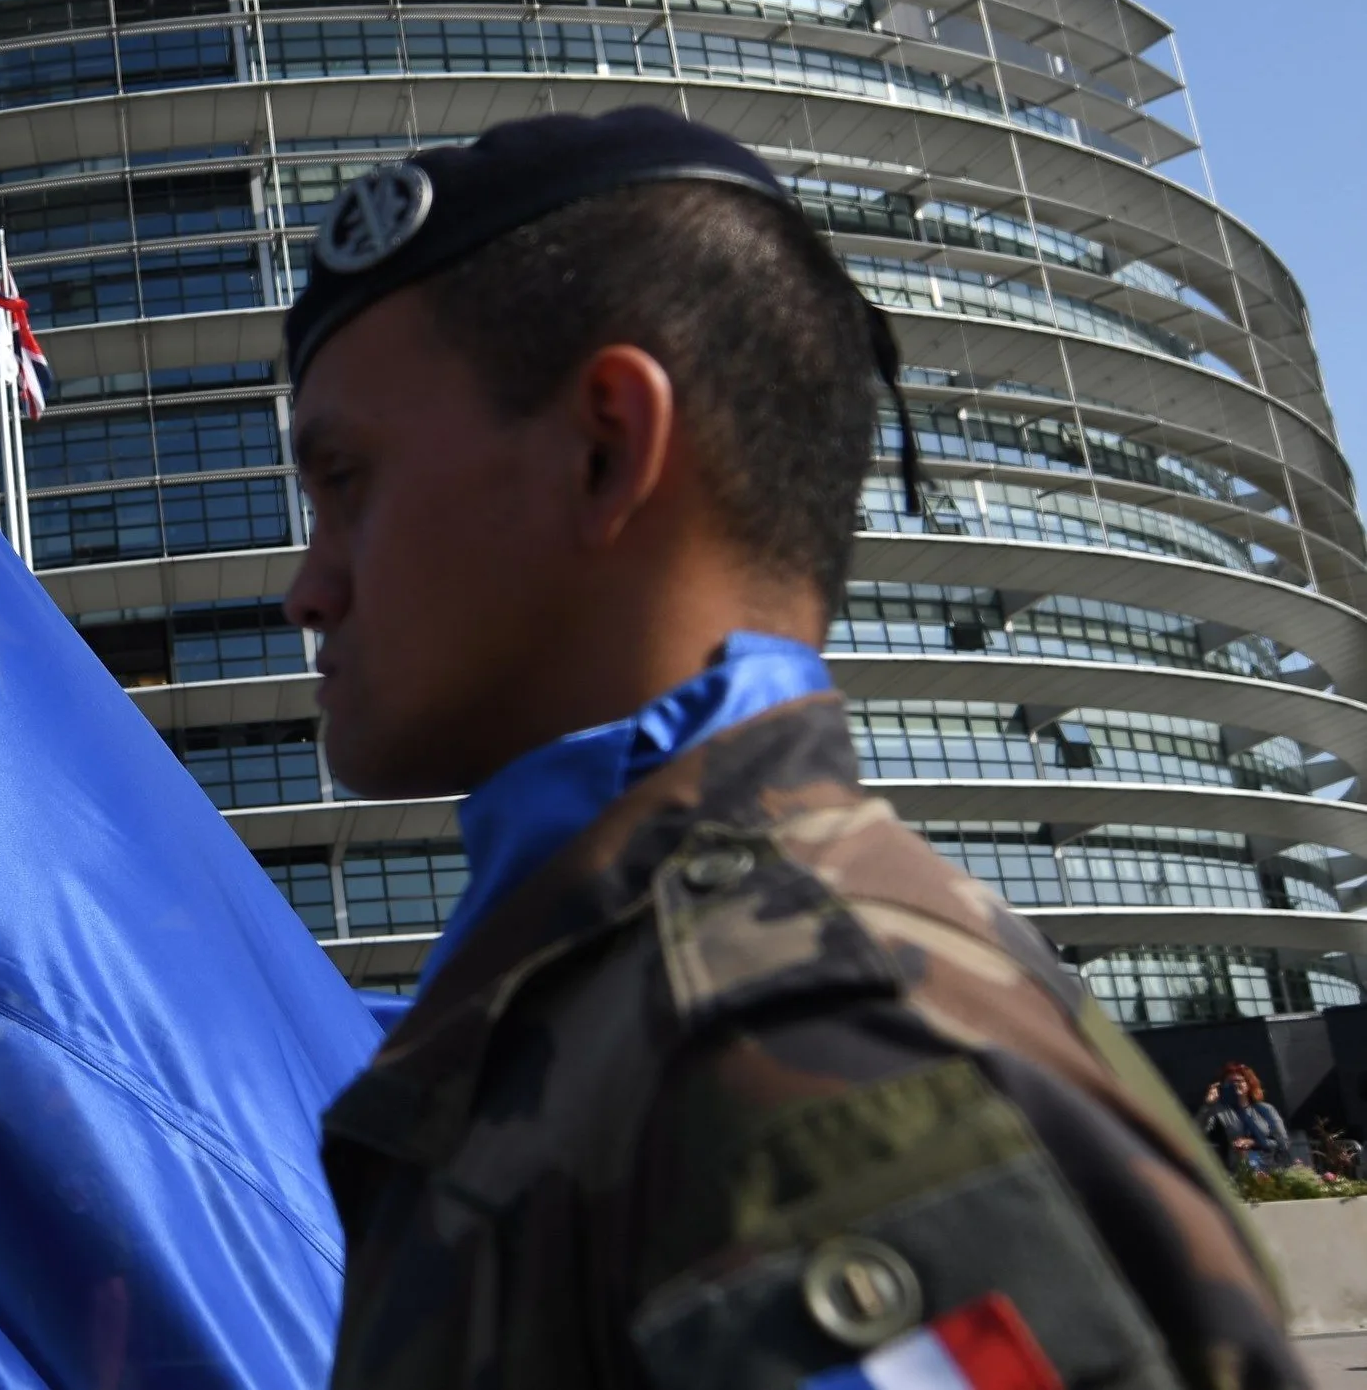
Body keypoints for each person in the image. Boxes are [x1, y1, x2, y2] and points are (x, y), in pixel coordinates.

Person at [284, 107, 1302, 1389]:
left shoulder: (804, 1075)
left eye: (344, 482)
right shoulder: (652, 1003)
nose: (307, 587)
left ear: (603, 448)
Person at [1199, 1062, 1294, 1173]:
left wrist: (1253, 1143)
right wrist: (1208, 1105)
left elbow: (1283, 1142)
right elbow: (1198, 1131)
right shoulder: (1220, 1111)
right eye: (1230, 1082)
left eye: (1239, 1081)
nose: (1235, 1085)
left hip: (1270, 1172)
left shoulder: (1265, 1110)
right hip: (1237, 1174)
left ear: (1248, 1084)